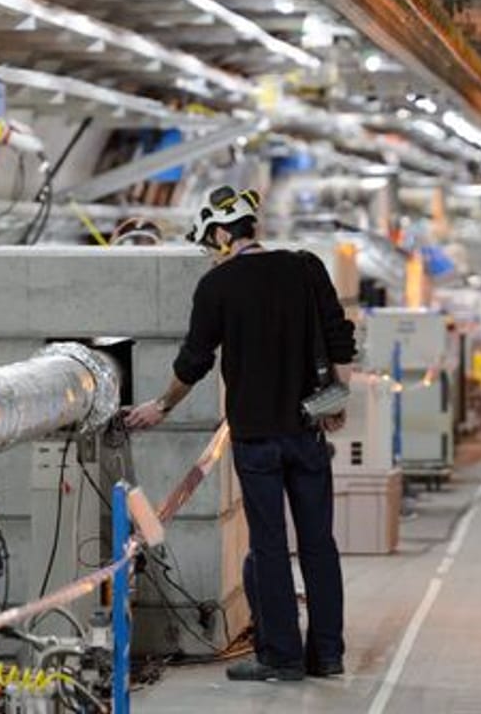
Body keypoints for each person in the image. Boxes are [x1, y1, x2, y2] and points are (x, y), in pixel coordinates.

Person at [124, 185, 355, 682]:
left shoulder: (217, 286)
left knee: (269, 546)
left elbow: (194, 362)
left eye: (212, 238)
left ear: (225, 231)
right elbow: (340, 337)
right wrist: (336, 401)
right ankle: (328, 654)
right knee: (318, 543)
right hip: (307, 430)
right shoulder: (306, 267)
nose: (213, 248)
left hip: (256, 440)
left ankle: (282, 656)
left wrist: (160, 406)